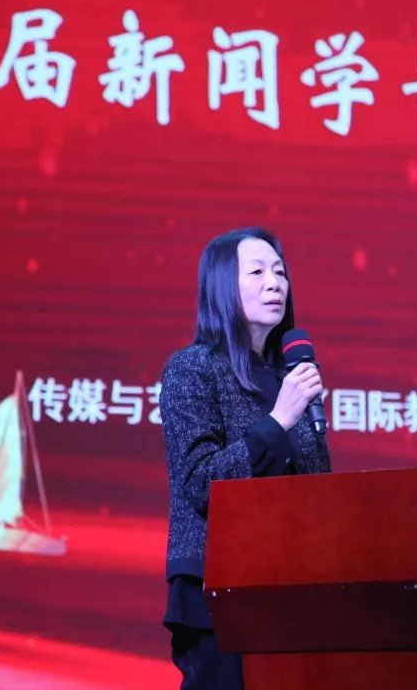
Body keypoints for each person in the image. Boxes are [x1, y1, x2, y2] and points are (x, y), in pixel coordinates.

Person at [160, 227, 332, 689]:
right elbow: (200, 483)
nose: (275, 283)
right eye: (257, 272)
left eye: (280, 272)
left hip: (292, 586)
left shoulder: (291, 376)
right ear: (222, 285)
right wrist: (278, 421)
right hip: (218, 588)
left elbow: (318, 490)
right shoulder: (192, 368)